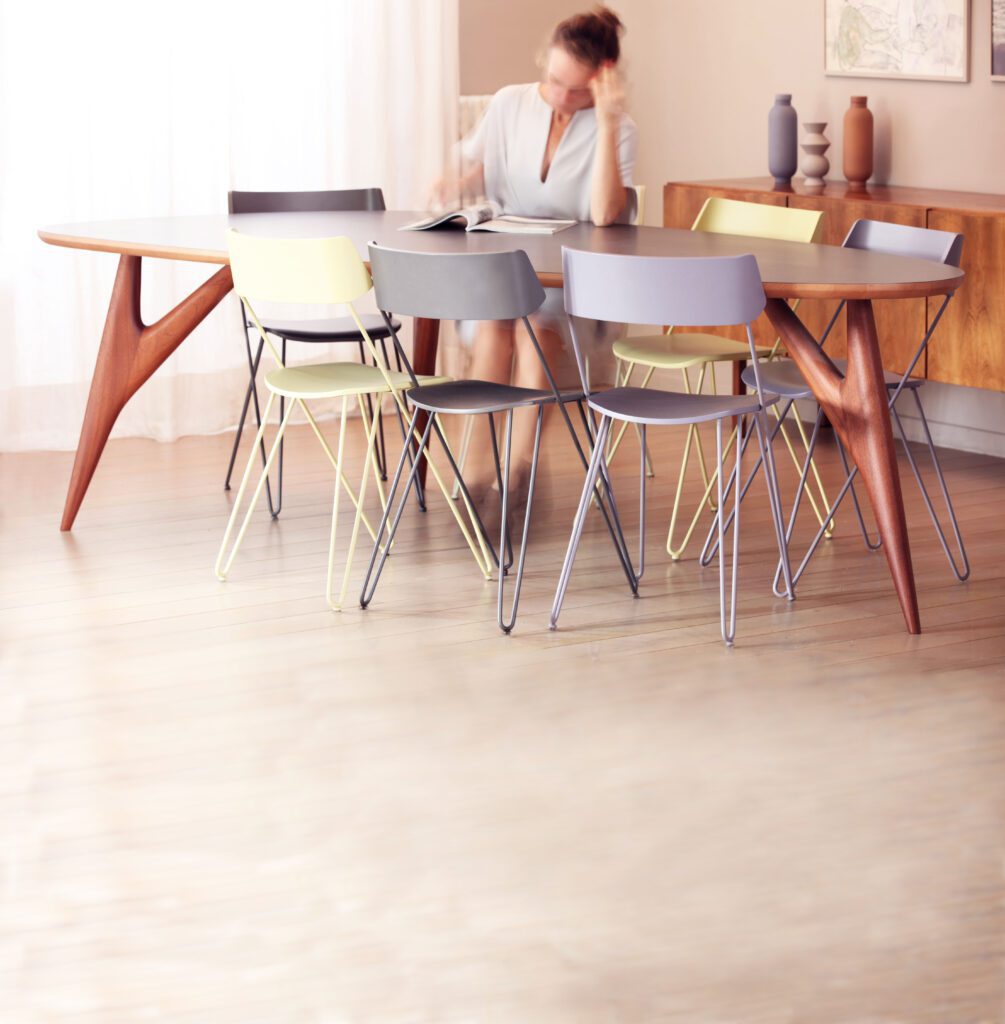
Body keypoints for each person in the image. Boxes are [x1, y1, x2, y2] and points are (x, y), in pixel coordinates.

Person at [431, 6, 638, 503]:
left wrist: (606, 123)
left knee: (536, 334)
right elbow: (480, 165)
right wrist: (453, 186)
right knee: (496, 326)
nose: (562, 99)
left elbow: (607, 214)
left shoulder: (621, 129)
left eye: (577, 90)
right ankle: (476, 469)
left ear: (603, 81)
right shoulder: (509, 103)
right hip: (503, 272)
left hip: (570, 285)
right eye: (554, 82)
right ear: (544, 61)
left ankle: (515, 474)